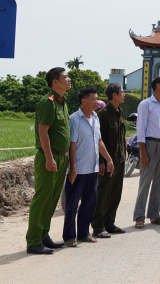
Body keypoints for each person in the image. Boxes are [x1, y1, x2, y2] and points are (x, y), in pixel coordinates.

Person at [25, 67, 72, 255]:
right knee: (42, 198)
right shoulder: (48, 102)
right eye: (66, 77)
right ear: (55, 82)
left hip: (62, 157)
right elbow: (42, 131)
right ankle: (34, 241)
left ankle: (44, 235)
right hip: (49, 157)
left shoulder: (62, 102)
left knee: (52, 200)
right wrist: (50, 158)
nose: (69, 79)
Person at [63, 87, 114, 247]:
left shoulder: (96, 118)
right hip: (78, 169)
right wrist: (72, 168)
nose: (96, 102)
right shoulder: (74, 119)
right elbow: (72, 145)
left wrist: (108, 160)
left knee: (89, 203)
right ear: (83, 101)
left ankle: (84, 233)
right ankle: (69, 236)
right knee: (72, 204)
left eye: (97, 98)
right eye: (93, 99)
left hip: (92, 169)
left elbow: (99, 141)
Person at [133, 76, 160, 228]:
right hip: (149, 145)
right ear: (157, 85)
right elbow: (140, 129)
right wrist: (143, 152)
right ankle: (139, 216)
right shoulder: (146, 104)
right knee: (145, 181)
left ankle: (155, 215)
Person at [91, 82, 128, 237]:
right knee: (103, 193)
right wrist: (101, 161)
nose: (124, 94)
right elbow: (98, 140)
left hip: (119, 160)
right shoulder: (103, 114)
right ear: (114, 95)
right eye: (121, 92)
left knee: (115, 193)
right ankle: (98, 227)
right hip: (107, 162)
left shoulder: (120, 112)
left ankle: (109, 223)